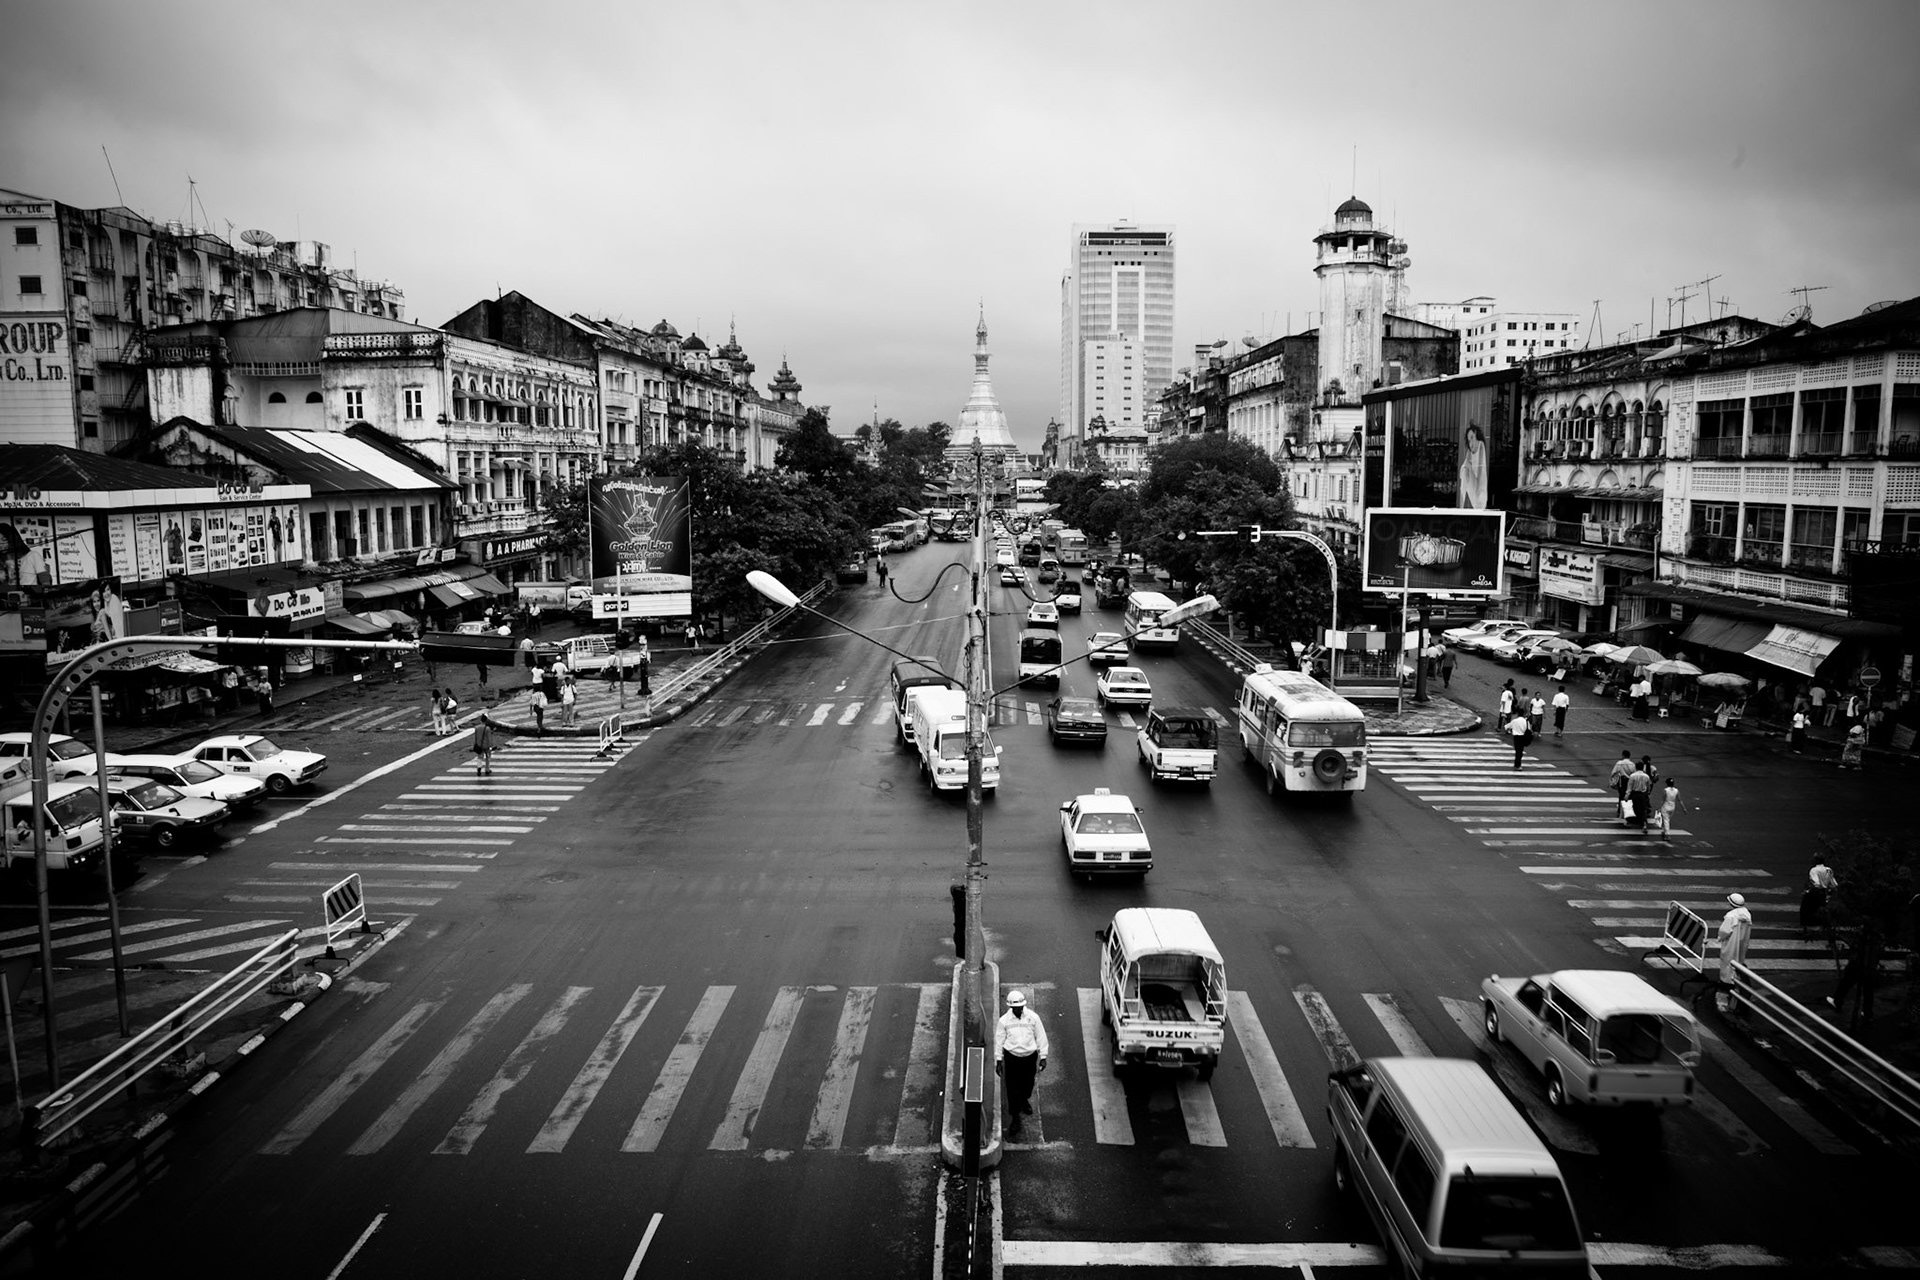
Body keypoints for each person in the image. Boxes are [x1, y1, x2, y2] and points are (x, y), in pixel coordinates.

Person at [995, 988, 1049, 1135]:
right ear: (1010, 1007)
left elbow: (1041, 1037)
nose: (1018, 1009)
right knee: (1012, 1089)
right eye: (1015, 1007)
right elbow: (999, 1041)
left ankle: (1024, 1100)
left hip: (1029, 1057)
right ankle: (1015, 1117)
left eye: (1020, 1007)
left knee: (1028, 1083)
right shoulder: (1004, 1021)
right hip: (1012, 1058)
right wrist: (999, 1060)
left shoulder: (1033, 1018)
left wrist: (1043, 1056)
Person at [1717, 892, 1754, 1007]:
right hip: (1742, 943)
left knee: (1727, 962)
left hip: (1731, 944)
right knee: (1738, 961)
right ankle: (1736, 981)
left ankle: (1726, 982)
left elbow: (1724, 932)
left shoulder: (1731, 916)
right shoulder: (1747, 914)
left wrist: (1720, 938)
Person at [1802, 853, 1837, 934]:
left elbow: (1816, 883)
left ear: (1816, 860)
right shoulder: (1829, 870)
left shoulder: (1814, 870)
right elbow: (1834, 884)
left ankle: (1807, 929)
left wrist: (1807, 891)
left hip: (1815, 893)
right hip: (1824, 893)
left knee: (1805, 910)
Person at [1457, 423, 1489, 509]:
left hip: (1481, 489)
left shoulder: (1480, 445)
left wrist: (1478, 488)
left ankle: (1461, 507)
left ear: (1476, 435)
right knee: (1464, 470)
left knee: (1465, 468)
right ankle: (1461, 507)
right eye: (1469, 440)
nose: (1471, 443)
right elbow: (1464, 471)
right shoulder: (1469, 452)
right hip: (1474, 489)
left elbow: (1480, 467)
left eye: (1472, 438)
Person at [1626, 761, 1652, 827]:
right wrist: (1648, 793)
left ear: (1636, 767)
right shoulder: (1646, 776)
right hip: (1643, 794)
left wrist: (1627, 795)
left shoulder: (1632, 776)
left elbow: (1629, 787)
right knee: (1643, 808)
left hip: (1634, 794)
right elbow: (1648, 786)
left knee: (1632, 808)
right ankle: (1644, 823)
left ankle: (1630, 822)